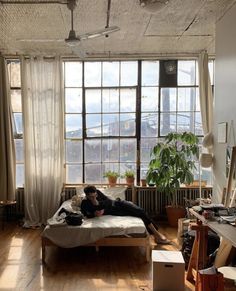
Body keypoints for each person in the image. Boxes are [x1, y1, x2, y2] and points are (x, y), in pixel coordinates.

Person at [81, 185, 171, 244]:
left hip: (118, 203)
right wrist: (94, 214)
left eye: (95, 195)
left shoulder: (98, 193)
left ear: (96, 193)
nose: (94, 197)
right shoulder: (85, 203)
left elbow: (108, 201)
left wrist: (102, 209)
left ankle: (156, 234)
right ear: (87, 196)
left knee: (140, 211)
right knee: (139, 214)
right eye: (91, 197)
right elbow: (85, 214)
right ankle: (157, 236)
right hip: (115, 211)